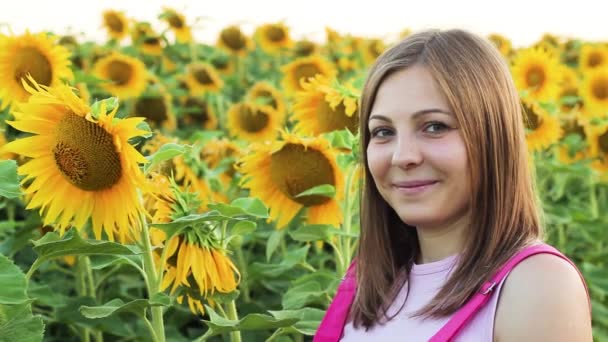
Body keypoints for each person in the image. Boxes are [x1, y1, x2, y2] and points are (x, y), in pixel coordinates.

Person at [314, 29, 593, 341]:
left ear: (492, 138)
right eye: (382, 131)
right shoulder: (367, 283)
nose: (402, 156)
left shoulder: (536, 286)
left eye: (435, 126)